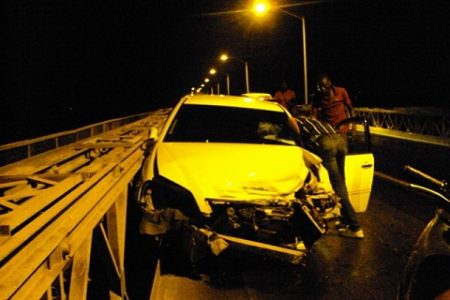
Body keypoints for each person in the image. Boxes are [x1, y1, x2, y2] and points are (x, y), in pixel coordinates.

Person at [296, 114, 364, 239]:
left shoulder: (296, 120)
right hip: (340, 141)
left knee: (338, 186)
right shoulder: (316, 120)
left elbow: (298, 140)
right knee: (341, 183)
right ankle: (346, 221)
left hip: (326, 143)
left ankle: (356, 228)